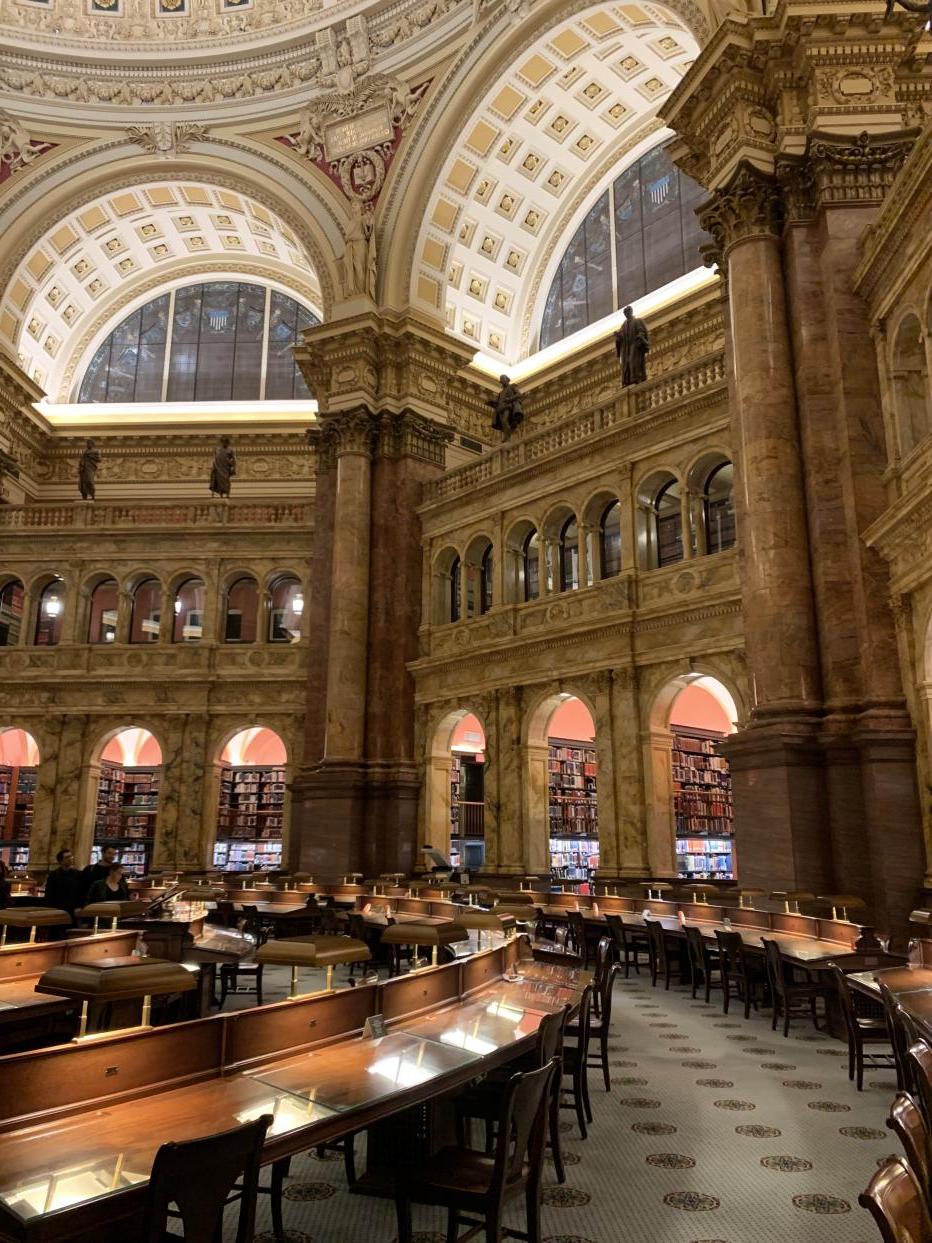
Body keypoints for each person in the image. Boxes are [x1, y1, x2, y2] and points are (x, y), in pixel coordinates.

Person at [614, 304, 650, 386]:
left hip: (635, 345)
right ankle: (627, 381)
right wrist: (618, 336)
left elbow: (641, 331)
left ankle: (636, 378)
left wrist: (640, 337)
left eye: (627, 312)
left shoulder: (637, 321)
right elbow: (621, 335)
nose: (626, 314)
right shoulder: (624, 325)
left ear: (631, 312)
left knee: (632, 361)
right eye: (625, 313)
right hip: (626, 348)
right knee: (626, 364)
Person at [44, 847, 83, 918]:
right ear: (61, 861)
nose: (71, 858)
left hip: (73, 909)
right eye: (67, 857)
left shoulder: (78, 874)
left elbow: (80, 892)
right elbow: (49, 893)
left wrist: (79, 906)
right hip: (57, 908)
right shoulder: (54, 875)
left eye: (71, 856)